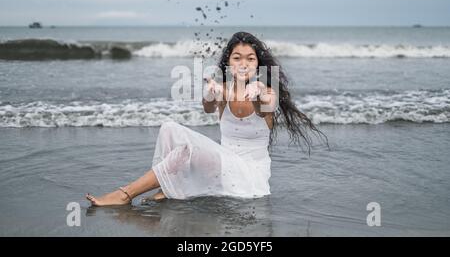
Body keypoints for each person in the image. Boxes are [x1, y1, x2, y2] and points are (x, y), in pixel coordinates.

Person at [86, 32, 328, 206]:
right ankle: (167, 187)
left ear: (258, 64)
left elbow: (267, 105)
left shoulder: (267, 90)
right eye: (237, 58)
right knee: (170, 128)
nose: (243, 63)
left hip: (249, 177)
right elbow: (207, 106)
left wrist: (258, 93)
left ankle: (125, 194)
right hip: (223, 165)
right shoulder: (222, 88)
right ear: (228, 62)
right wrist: (211, 92)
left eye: (250, 58)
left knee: (187, 150)